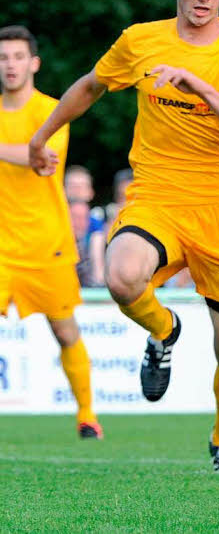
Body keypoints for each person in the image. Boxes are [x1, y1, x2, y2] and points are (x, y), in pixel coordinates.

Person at [28, 0, 219, 471]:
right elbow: (92, 86)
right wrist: (41, 135)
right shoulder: (141, 41)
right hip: (157, 200)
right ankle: (164, 331)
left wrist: (201, 86)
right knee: (121, 276)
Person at [0, 25, 102, 439]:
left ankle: (87, 414)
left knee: (64, 330)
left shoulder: (52, 110)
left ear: (34, 63)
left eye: (18, 57)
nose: (10, 65)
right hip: (1, 244)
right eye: (4, 57)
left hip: (47, 243)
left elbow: (45, 159)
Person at [64, 164, 107, 286]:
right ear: (63, 190)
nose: (77, 189)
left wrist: (99, 284)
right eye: (72, 185)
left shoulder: (97, 223)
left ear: (91, 192)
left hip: (89, 284)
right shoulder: (54, 221)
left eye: (81, 186)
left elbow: (97, 261)